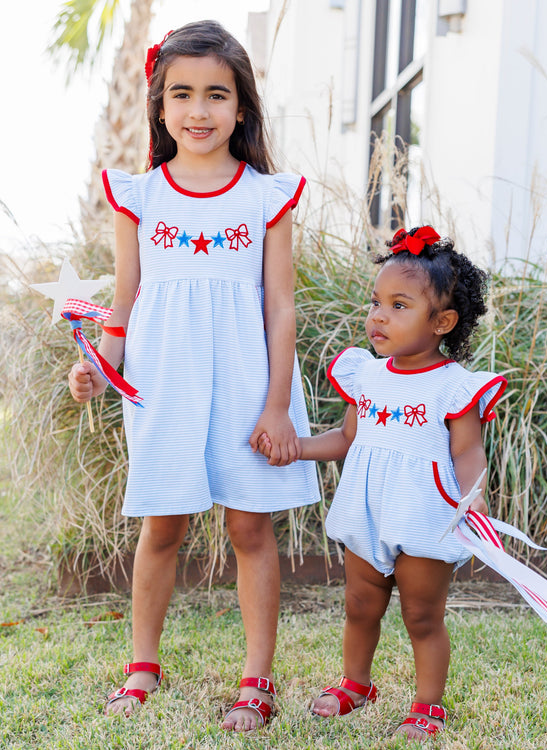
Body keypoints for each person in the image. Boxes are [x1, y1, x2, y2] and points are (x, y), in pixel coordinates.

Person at [68, 20, 320, 732]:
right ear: (159, 106)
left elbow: (279, 305)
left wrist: (277, 408)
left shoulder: (265, 196)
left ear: (242, 107)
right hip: (165, 378)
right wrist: (98, 364)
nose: (199, 110)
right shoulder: (138, 196)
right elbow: (125, 301)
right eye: (182, 94)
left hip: (247, 380)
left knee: (249, 528)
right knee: (164, 527)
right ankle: (142, 666)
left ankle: (257, 680)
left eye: (217, 94)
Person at [259, 225, 507, 741]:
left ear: (442, 321)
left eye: (399, 305)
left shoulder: (454, 386)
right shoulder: (366, 375)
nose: (378, 315)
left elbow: (467, 450)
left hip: (425, 517)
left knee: (421, 614)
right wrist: (297, 447)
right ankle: (357, 683)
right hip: (367, 509)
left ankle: (427, 704)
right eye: (376, 302)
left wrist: (474, 501)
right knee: (359, 604)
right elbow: (348, 438)